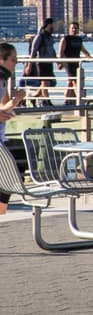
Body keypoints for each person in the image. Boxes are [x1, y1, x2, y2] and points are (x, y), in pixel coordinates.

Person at [0, 42, 27, 215]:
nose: (15, 63)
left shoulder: (3, 80)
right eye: (12, 60)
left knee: (14, 172)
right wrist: (15, 101)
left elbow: (3, 107)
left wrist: (13, 103)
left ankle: (2, 212)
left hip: (2, 139)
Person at [57, 21, 92, 105]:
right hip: (68, 63)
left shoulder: (78, 39)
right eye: (72, 28)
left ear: (78, 29)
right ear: (69, 29)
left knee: (70, 81)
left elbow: (83, 50)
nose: (74, 30)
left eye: (75, 28)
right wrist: (59, 63)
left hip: (76, 63)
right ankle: (80, 100)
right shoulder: (65, 39)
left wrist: (91, 59)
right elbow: (60, 52)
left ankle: (66, 100)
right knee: (75, 81)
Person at [25, 17, 57, 107]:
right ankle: (47, 101)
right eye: (51, 25)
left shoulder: (50, 37)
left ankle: (32, 95)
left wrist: (58, 61)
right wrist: (29, 66)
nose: (53, 27)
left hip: (49, 62)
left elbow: (52, 49)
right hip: (42, 62)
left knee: (46, 82)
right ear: (47, 25)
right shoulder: (39, 37)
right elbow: (33, 51)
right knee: (45, 82)